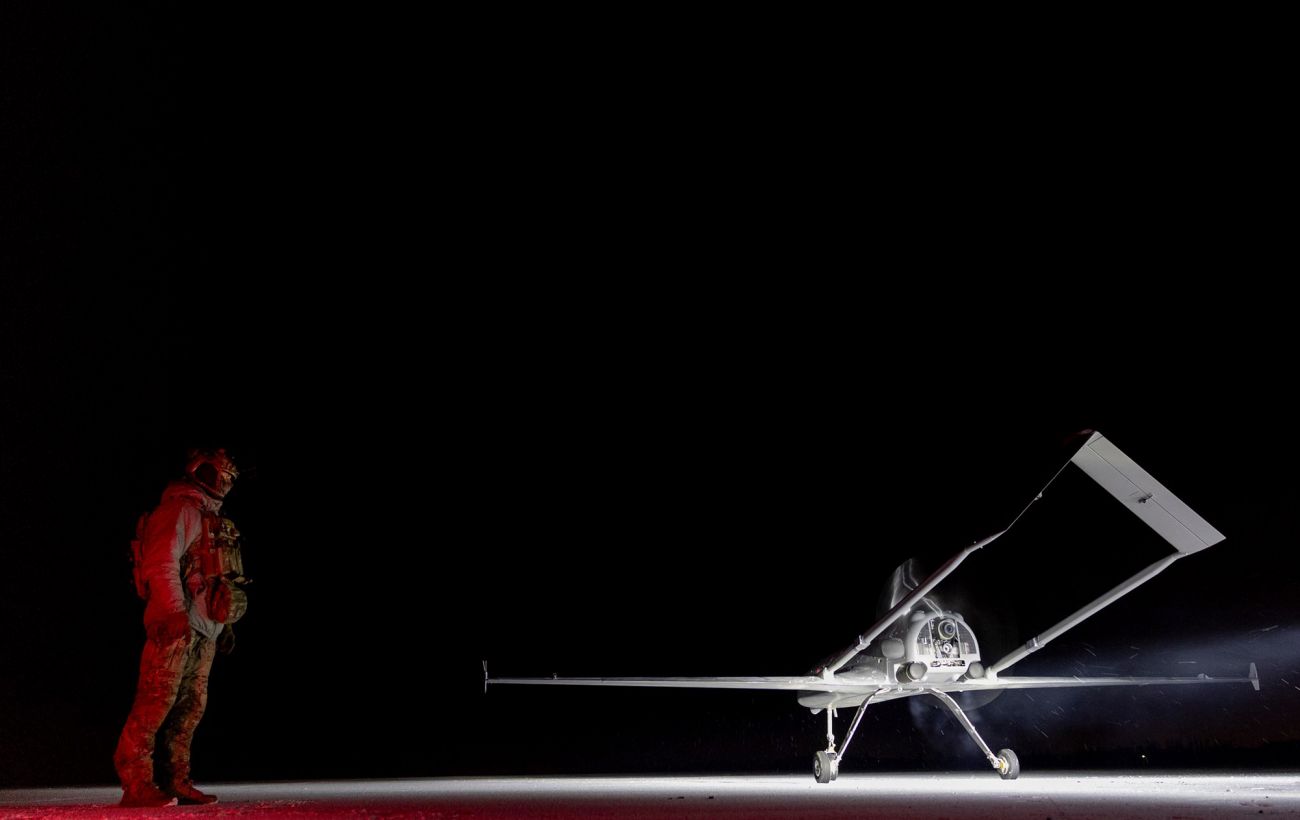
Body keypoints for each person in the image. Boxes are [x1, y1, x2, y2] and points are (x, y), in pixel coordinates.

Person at [114, 448, 244, 807]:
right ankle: (136, 782)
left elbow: (216, 575)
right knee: (155, 702)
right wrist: (172, 612)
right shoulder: (180, 510)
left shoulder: (210, 517)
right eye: (216, 474)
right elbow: (160, 562)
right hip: (175, 626)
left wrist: (223, 625)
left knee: (190, 707)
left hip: (203, 628)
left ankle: (175, 778)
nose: (222, 483)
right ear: (198, 471)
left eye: (228, 478)